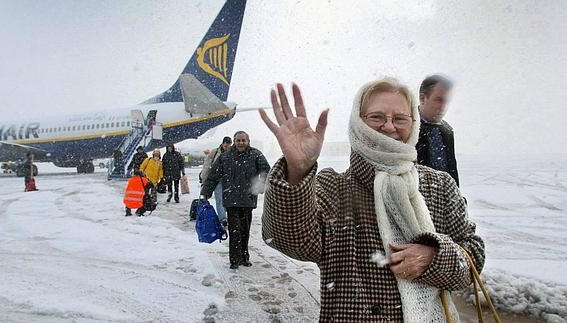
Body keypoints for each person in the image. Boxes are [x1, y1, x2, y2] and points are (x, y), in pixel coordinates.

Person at [259, 81, 484, 322]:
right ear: (358, 123)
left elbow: (473, 257)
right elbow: (290, 240)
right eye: (376, 117)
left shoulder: (440, 186)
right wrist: (297, 170)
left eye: (400, 118)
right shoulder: (333, 187)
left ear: (414, 123)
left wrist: (434, 258)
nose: (388, 127)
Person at [200, 131, 270, 269]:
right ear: (234, 141)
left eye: (243, 140)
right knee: (234, 231)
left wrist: (260, 186)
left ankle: (244, 257)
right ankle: (234, 260)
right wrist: (205, 193)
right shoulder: (225, 157)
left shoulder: (256, 155)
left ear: (248, 141)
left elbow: (266, 171)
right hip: (231, 200)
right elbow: (213, 176)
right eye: (238, 140)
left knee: (245, 230)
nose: (241, 143)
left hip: (248, 200)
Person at [416, 75, 460, 186]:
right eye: (439, 100)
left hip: (443, 198)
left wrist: (459, 199)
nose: (443, 106)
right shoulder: (405, 127)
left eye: (446, 101)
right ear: (422, 98)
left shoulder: (447, 131)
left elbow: (452, 172)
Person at [200, 136, 232, 225]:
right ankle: (223, 218)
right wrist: (204, 178)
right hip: (217, 179)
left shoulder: (233, 153)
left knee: (228, 199)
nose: (227, 148)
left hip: (228, 180)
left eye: (228, 146)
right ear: (222, 144)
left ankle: (226, 214)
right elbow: (207, 165)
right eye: (225, 146)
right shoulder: (215, 152)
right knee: (219, 198)